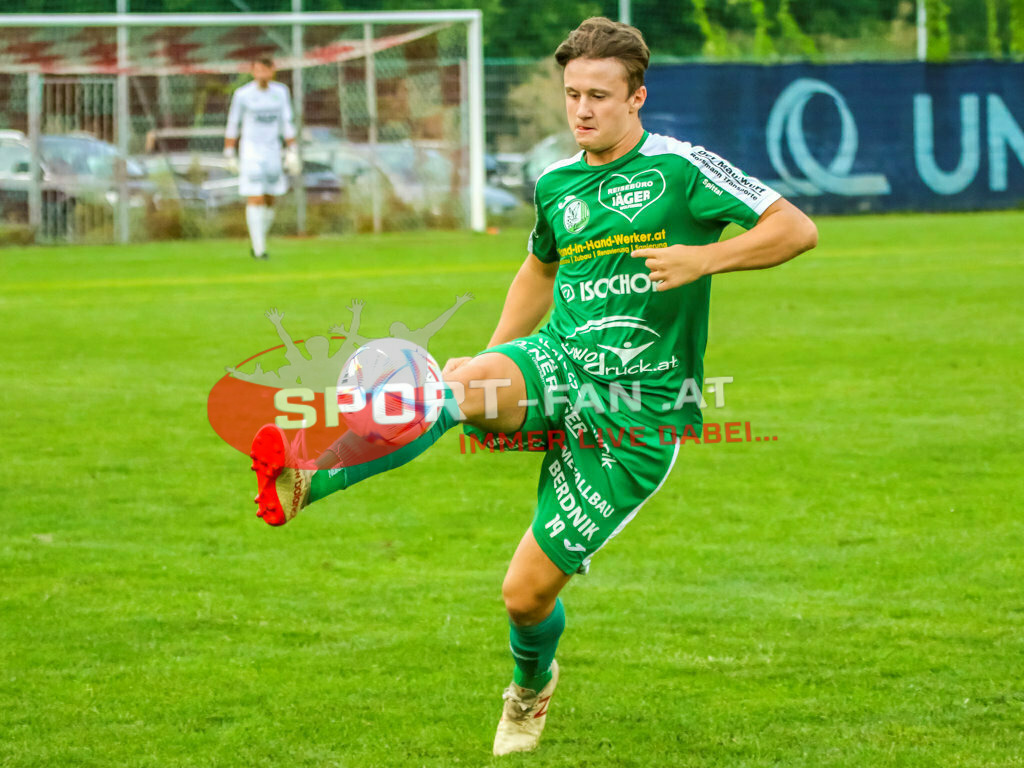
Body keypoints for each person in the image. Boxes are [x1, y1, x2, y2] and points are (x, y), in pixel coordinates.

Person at [247, 17, 817, 756]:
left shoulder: (683, 169)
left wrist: (705, 260)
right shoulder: (556, 181)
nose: (582, 110)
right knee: (452, 389)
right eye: (573, 95)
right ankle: (305, 481)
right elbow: (539, 270)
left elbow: (794, 228)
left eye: (600, 97)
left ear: (638, 97)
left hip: (635, 415)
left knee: (524, 597)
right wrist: (495, 359)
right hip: (557, 362)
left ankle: (529, 691)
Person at [224, 57, 300, 260]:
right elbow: (233, 123)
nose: (262, 75)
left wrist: (292, 150)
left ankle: (259, 239)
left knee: (269, 198)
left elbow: (287, 122)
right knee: (255, 196)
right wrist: (229, 153)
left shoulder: (281, 92)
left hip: (273, 150)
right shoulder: (243, 95)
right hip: (251, 151)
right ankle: (259, 249)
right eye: (258, 70)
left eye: (266, 70)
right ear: (252, 72)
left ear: (273, 71)